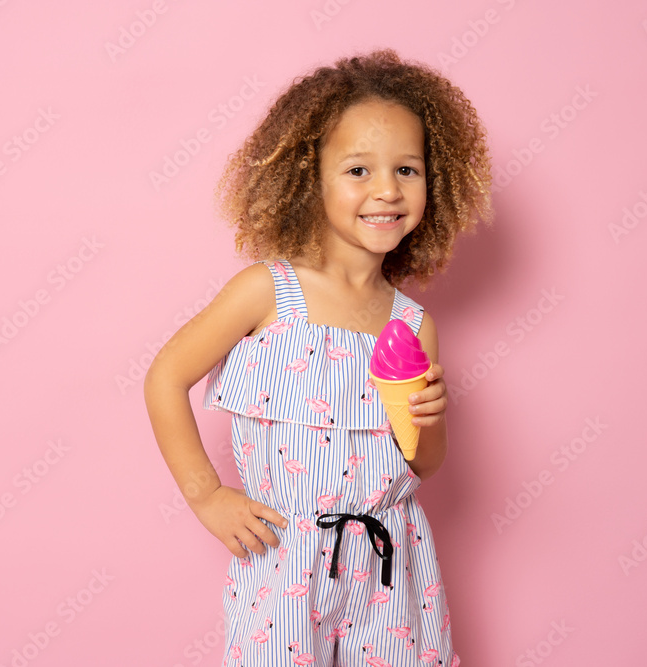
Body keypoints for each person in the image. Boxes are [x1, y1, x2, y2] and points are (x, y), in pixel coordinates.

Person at [144, 48, 492, 667]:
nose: (387, 189)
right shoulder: (266, 292)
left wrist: (430, 418)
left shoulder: (413, 325)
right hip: (285, 558)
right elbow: (165, 377)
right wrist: (207, 496)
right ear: (312, 179)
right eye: (358, 170)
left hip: (392, 563)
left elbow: (424, 462)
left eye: (407, 169)